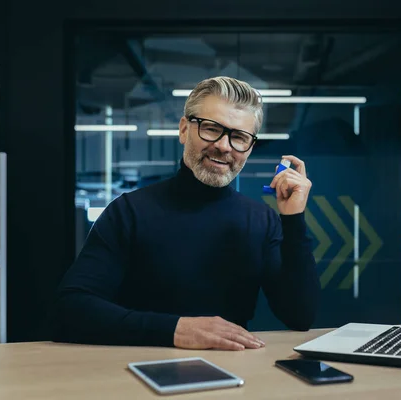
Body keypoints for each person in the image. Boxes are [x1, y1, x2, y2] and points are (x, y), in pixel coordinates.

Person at [50, 76, 320, 351]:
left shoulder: (261, 220)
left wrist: (293, 219)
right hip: (140, 372)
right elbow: (70, 309)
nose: (224, 146)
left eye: (239, 137)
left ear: (249, 148)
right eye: (212, 128)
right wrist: (175, 329)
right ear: (183, 130)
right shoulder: (129, 211)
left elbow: (299, 316)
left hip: (234, 380)